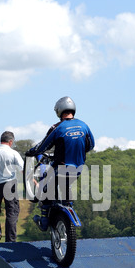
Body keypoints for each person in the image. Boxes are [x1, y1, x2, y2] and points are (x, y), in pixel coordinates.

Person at [25, 96, 95, 229]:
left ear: (59, 111)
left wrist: (32, 151)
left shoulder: (59, 128)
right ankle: (68, 205)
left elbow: (43, 146)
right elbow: (91, 145)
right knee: (65, 185)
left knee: (45, 191)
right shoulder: (84, 125)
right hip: (78, 169)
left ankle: (44, 221)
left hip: (61, 168)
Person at [0, 131, 24, 243]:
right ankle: (11, 240)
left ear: (1, 140)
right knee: (12, 211)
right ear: (11, 141)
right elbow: (23, 170)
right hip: (10, 184)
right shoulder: (13, 153)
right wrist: (34, 182)